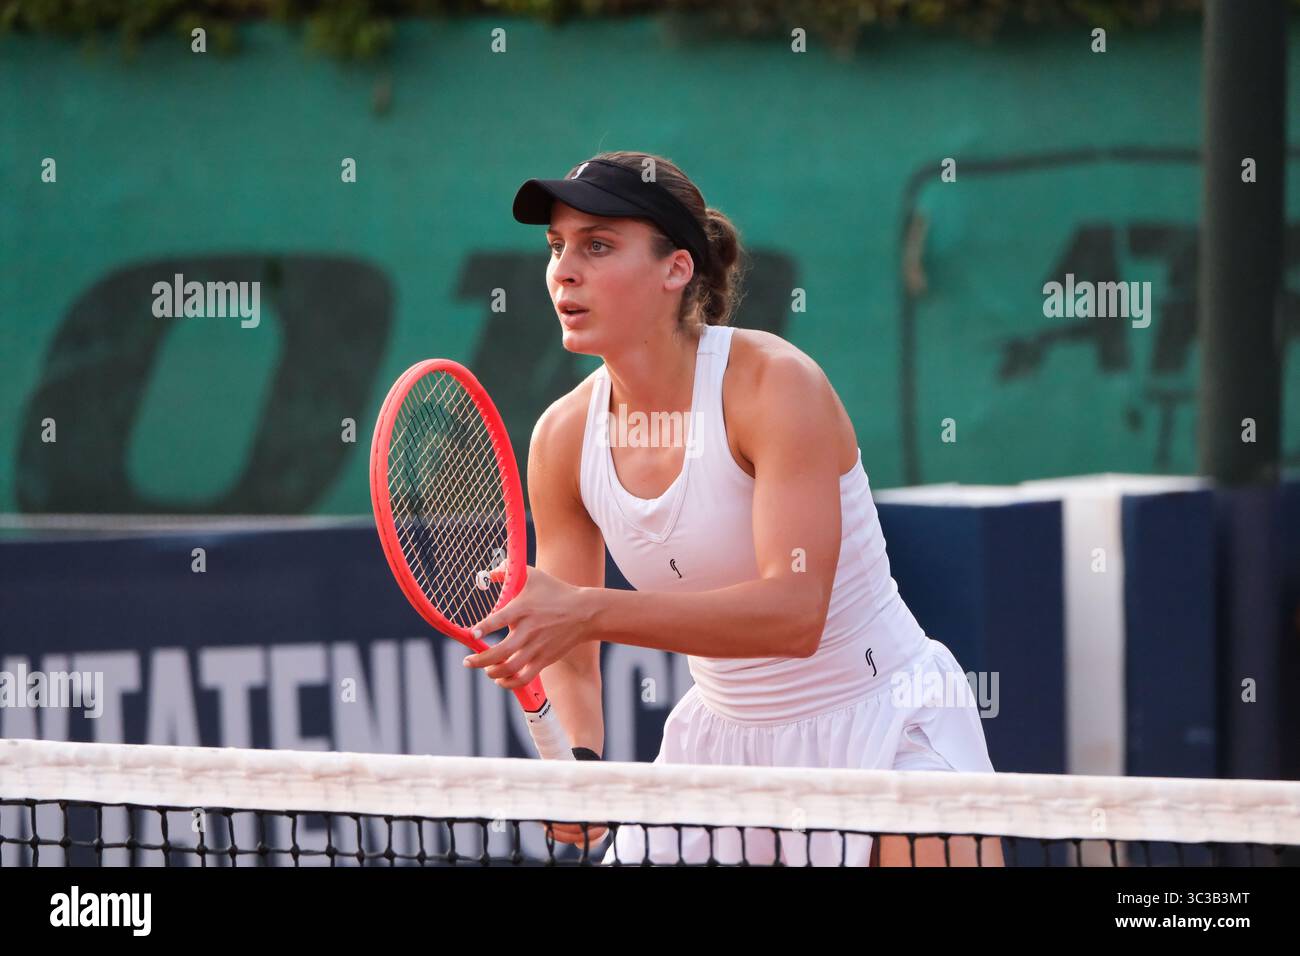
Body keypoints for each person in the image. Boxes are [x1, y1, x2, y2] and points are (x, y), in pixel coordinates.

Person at [465, 151, 1001, 866]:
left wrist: (586, 609)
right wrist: (582, 764)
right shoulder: (562, 437)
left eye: (597, 245)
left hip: (887, 724)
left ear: (676, 269)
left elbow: (794, 613)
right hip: (720, 749)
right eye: (557, 246)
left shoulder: (775, 386)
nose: (564, 269)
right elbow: (572, 659)